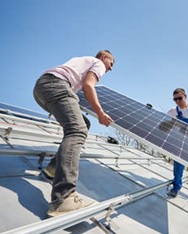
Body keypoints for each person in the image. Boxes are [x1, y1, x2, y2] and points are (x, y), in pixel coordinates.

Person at [33, 50, 114, 217]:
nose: (110, 68)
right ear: (104, 57)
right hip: (56, 85)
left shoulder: (81, 60)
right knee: (77, 130)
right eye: (111, 63)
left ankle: (52, 169)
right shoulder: (97, 63)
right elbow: (88, 85)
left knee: (84, 124)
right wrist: (100, 112)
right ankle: (63, 198)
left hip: (42, 88)